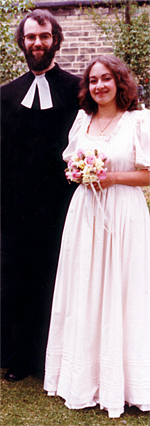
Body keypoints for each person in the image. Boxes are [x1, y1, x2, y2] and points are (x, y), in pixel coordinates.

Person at [44, 55, 150, 418]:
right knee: (85, 288)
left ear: (120, 83)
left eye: (106, 79)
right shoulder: (82, 120)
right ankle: (82, 376)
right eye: (93, 81)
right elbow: (70, 166)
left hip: (123, 214)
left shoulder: (139, 120)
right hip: (86, 214)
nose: (99, 86)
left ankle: (129, 382)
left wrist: (112, 178)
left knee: (124, 289)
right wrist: (80, 173)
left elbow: (149, 174)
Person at [1, 9, 80, 382]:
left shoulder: (76, 89)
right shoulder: (6, 94)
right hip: (15, 207)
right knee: (16, 278)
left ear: (55, 40)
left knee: (56, 278)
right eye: (31, 37)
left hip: (62, 205)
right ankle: (18, 357)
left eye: (44, 36)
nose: (37, 43)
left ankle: (52, 356)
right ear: (22, 42)